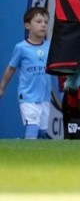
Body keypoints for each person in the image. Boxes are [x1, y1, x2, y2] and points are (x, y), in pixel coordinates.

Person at [0, 8, 52, 139]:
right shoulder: (21, 48)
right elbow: (11, 68)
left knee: (42, 131)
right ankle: (27, 157)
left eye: (46, 22)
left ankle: (27, 148)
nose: (43, 25)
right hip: (28, 96)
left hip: (45, 97)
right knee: (32, 128)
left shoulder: (50, 46)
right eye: (39, 21)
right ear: (27, 25)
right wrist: (2, 87)